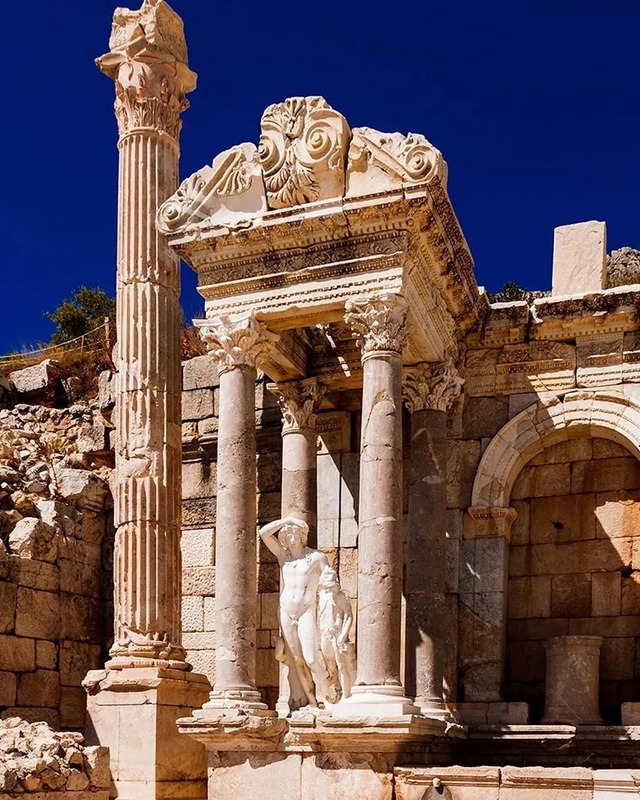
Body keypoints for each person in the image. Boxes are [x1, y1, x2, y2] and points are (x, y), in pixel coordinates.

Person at [259, 516, 331, 708]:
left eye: (295, 533)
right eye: (288, 534)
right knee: (296, 660)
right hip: (286, 611)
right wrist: (287, 521)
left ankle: (328, 692)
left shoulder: (316, 557)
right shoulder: (284, 558)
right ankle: (312, 702)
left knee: (311, 657)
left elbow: (329, 585)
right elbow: (263, 533)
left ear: (302, 535)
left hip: (306, 609)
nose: (292, 538)